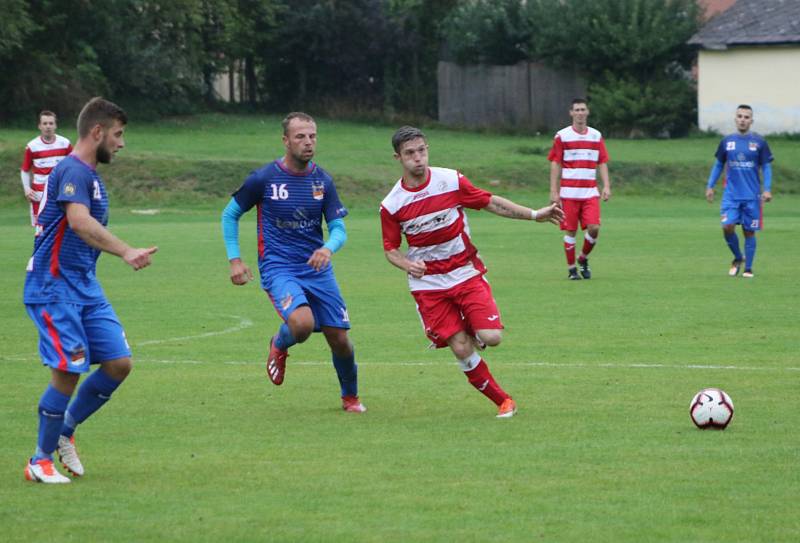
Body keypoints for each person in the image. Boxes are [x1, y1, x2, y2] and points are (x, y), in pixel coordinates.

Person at [380, 126, 563, 418]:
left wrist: (533, 215)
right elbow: (390, 248)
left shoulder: (450, 180)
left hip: (465, 271)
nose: (418, 158)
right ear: (398, 158)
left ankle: (470, 328)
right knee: (462, 347)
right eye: (410, 153)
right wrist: (407, 263)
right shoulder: (392, 204)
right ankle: (504, 401)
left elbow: (491, 202)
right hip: (428, 283)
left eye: (422, 150)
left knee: (491, 337)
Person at [22, 97, 157, 484]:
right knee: (68, 370)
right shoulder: (71, 170)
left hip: (84, 288)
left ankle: (65, 429)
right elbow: (79, 223)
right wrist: (126, 250)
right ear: (97, 132)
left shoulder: (91, 178)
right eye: (117, 134)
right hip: (54, 287)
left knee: (118, 364)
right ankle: (39, 460)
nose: (121, 143)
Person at [221, 112, 366, 413]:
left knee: (339, 338)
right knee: (302, 324)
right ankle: (279, 342)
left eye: (312, 136)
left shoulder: (322, 180)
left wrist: (328, 248)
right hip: (279, 267)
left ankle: (350, 398)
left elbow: (338, 227)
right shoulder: (264, 178)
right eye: (300, 136)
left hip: (317, 267)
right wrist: (235, 259)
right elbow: (229, 214)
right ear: (285, 140)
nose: (308, 142)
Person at [705, 105, 774, 278]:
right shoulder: (727, 142)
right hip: (731, 196)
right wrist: (710, 186)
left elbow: (766, 166)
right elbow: (719, 164)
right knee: (727, 227)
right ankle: (738, 257)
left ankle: (748, 268)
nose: (743, 119)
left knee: (748, 231)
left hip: (751, 196)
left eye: (746, 117)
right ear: (735, 119)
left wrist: (767, 189)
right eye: (740, 116)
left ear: (751, 121)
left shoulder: (759, 142)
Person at [548, 98, 611, 280]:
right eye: (577, 110)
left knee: (594, 228)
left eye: (583, 109)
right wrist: (554, 191)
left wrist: (606, 186)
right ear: (571, 113)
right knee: (570, 231)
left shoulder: (596, 136)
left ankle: (583, 258)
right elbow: (556, 162)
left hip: (590, 191)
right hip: (568, 193)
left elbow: (602, 162)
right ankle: (571, 270)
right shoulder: (562, 136)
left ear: (587, 112)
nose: (580, 113)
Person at [20, 110, 73, 227]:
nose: (48, 126)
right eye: (45, 123)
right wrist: (27, 188)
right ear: (39, 126)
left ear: (55, 125)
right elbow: (25, 170)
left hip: (60, 195)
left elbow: (73, 168)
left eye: (50, 123)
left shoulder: (65, 144)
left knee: (63, 229)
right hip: (38, 195)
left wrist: (70, 189)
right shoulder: (32, 146)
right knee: (40, 230)